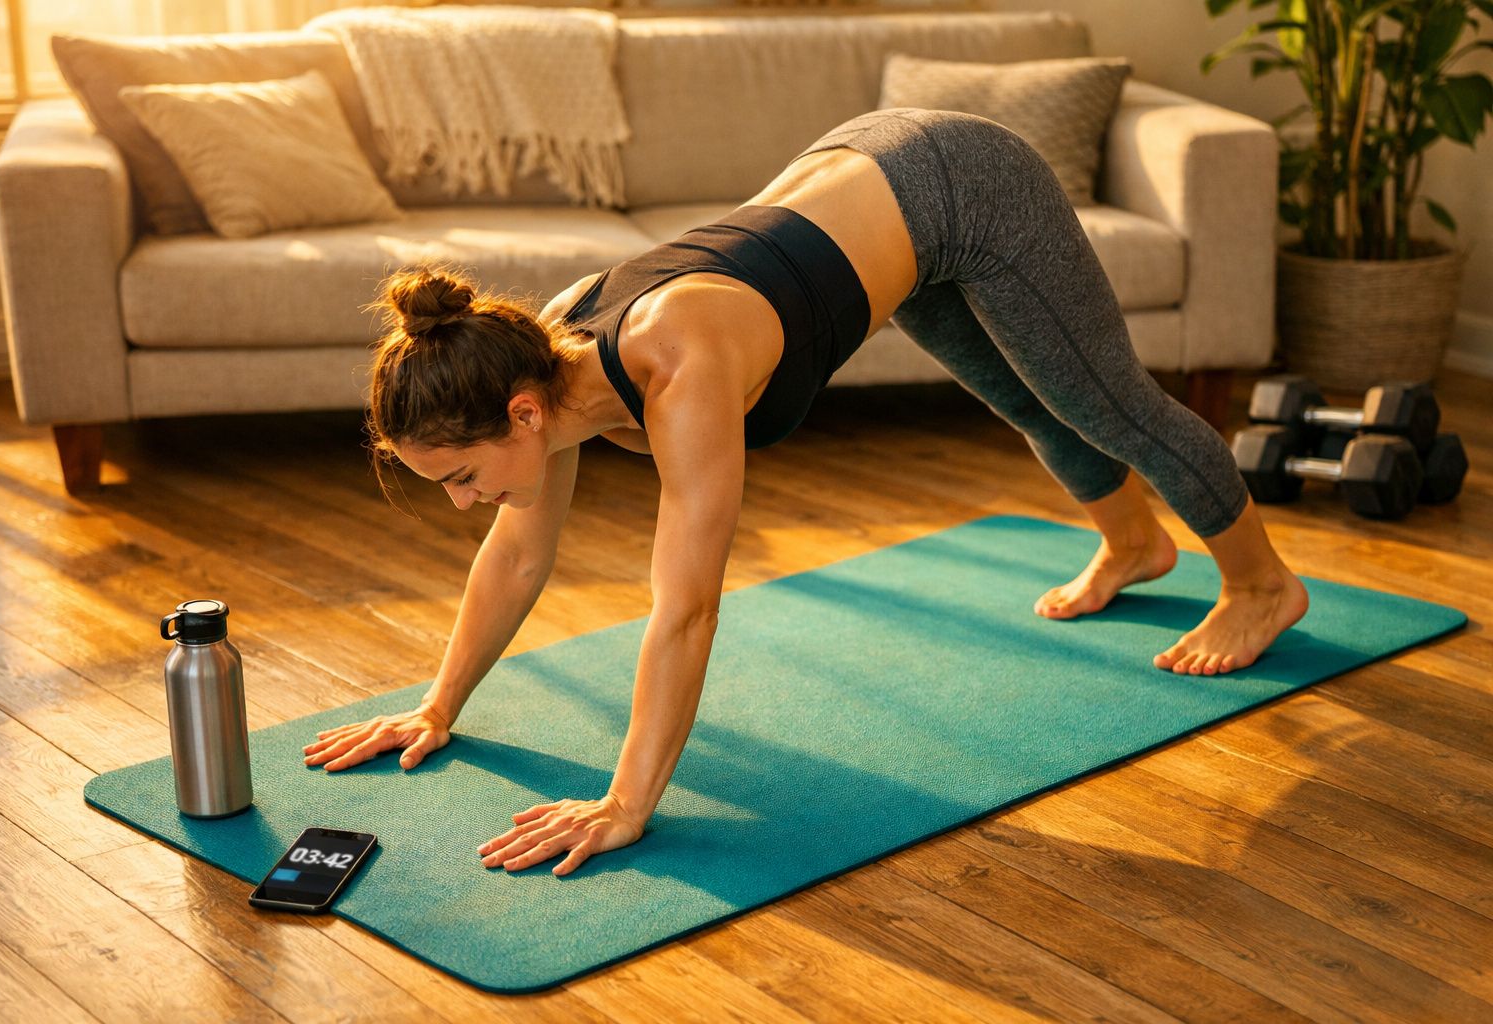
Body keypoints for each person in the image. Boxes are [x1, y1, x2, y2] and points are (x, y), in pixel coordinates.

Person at [300, 107, 1310, 877]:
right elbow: (519, 553)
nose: (464, 503)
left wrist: (625, 802)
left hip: (961, 181)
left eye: (462, 476)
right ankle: (1136, 546)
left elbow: (686, 610)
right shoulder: (541, 363)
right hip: (878, 193)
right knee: (1038, 399)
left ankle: (1262, 584)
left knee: (1109, 401)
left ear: (521, 415)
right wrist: (436, 707)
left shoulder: (677, 364)